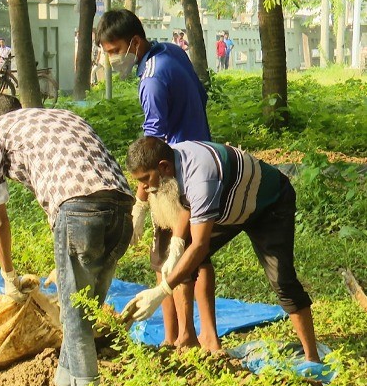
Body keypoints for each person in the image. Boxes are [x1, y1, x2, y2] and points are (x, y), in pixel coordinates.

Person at [0, 95, 134, 386]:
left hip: (78, 210)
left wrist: (8, 275)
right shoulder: (64, 115)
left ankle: (87, 383)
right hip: (122, 211)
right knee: (82, 314)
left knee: (75, 321)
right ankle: (63, 381)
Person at [122, 136, 322, 364]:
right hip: (230, 206)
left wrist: (162, 290)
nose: (145, 187)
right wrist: (148, 214)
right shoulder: (169, 159)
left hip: (269, 206)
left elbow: (200, 245)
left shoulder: (201, 178)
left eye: (146, 180)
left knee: (282, 281)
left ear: (164, 167)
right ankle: (191, 338)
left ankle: (312, 358)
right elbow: (187, 207)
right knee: (182, 259)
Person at [96, 9, 214, 349]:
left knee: (167, 257)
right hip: (200, 160)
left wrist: (140, 205)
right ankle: (196, 335)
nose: (111, 59)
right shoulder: (171, 51)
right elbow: (201, 97)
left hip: (172, 174)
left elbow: (151, 151)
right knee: (199, 256)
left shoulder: (151, 80)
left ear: (135, 42)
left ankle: (181, 337)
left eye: (114, 50)